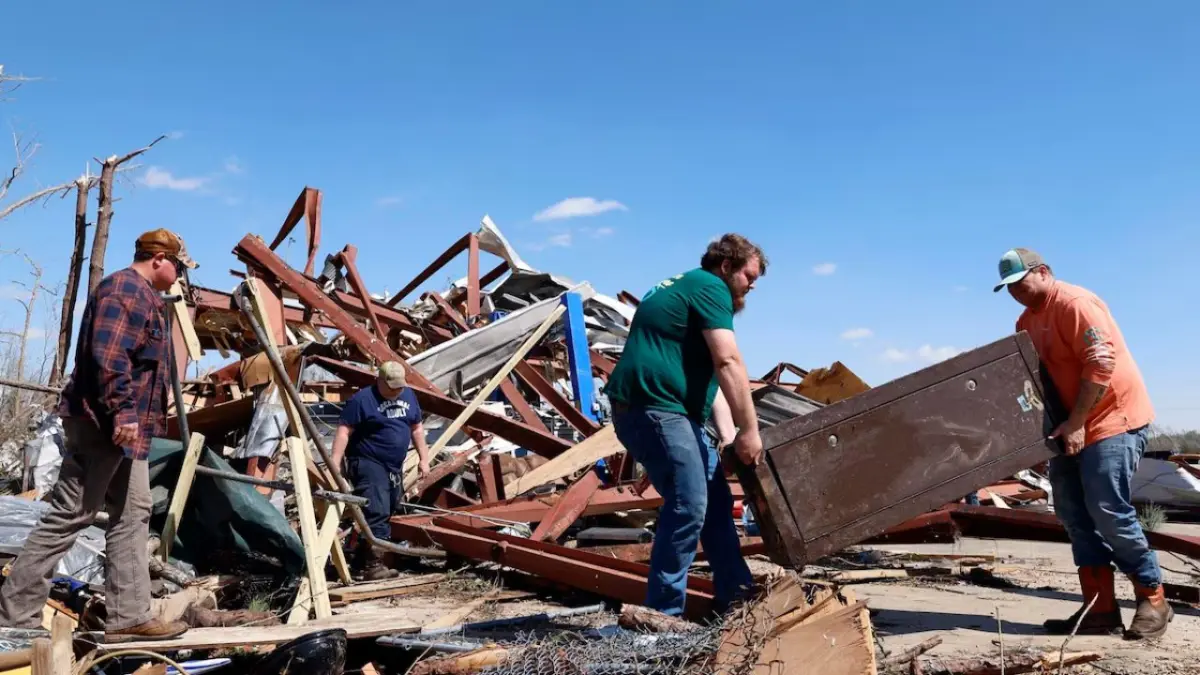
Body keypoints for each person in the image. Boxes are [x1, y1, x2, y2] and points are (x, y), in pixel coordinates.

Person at [0, 229, 197, 642]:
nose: (180, 273)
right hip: (104, 424)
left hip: (128, 431)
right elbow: (107, 358)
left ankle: (128, 618)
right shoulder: (124, 290)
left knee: (133, 512)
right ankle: (15, 614)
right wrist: (123, 413)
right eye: (179, 265)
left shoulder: (146, 296)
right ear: (159, 258)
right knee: (72, 513)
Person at [994, 247, 1170, 640]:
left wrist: (1077, 422)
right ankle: (1100, 610)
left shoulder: (1075, 303)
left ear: (1043, 272)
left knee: (1107, 508)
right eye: (1007, 288)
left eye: (1020, 283)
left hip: (1112, 419)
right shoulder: (1025, 320)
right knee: (1073, 513)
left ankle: (1154, 598)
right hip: (1070, 425)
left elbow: (1101, 362)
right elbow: (1031, 384)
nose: (1016, 292)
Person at [604, 233, 765, 618]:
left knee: (715, 503)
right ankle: (662, 615)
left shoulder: (686, 286)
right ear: (726, 267)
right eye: (749, 274)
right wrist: (750, 430)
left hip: (666, 410)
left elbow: (712, 378)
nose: (753, 284)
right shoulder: (712, 287)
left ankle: (737, 597)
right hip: (655, 408)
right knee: (690, 502)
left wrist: (728, 434)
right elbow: (729, 362)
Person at [330, 361, 430, 581]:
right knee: (377, 509)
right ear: (379, 380)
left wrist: (424, 458)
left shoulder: (408, 396)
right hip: (366, 461)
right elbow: (344, 431)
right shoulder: (362, 400)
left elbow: (417, 427)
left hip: (394, 466)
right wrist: (335, 463)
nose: (397, 390)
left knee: (391, 506)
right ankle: (373, 566)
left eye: (400, 386)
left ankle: (358, 563)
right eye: (392, 386)